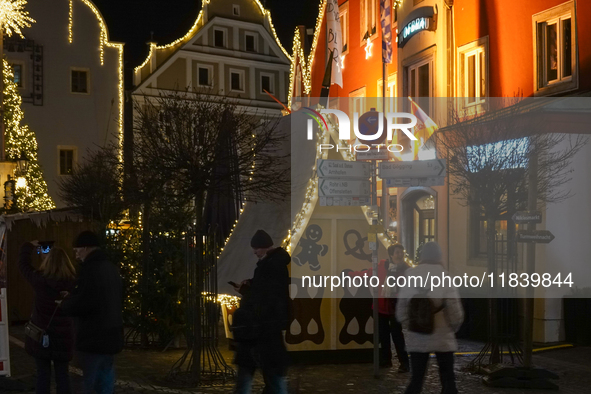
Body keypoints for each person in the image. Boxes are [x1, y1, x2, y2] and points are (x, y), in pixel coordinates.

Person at [396, 241, 464, 394]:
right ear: (439, 256)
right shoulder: (445, 276)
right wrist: (453, 328)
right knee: (448, 380)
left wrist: (412, 324)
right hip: (443, 336)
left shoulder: (410, 274)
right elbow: (455, 310)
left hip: (417, 335)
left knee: (416, 380)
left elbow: (401, 309)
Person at [61, 231, 123, 394]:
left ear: (86, 248)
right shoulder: (111, 268)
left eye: (77, 251)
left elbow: (85, 301)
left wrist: (66, 305)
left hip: (92, 337)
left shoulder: (90, 270)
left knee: (86, 382)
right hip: (111, 334)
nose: (76, 255)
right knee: (105, 381)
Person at [232, 229, 290, 394]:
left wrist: (247, 291)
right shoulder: (273, 264)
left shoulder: (270, 266)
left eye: (257, 248)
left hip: (261, 328)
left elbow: (264, 296)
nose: (255, 251)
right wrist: (249, 286)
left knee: (258, 376)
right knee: (272, 376)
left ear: (265, 247)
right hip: (266, 329)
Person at [19, 241, 76, 394]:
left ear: (47, 261)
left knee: (42, 375)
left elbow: (24, 265)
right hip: (64, 337)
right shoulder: (73, 282)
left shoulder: (40, 280)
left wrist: (29, 246)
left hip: (41, 335)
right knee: (62, 375)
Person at [348, 244, 409, 371]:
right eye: (397, 252)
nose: (400, 255)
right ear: (391, 255)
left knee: (397, 335)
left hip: (395, 307)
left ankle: (404, 363)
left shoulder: (406, 270)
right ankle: (386, 361)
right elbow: (368, 274)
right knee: (383, 335)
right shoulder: (382, 267)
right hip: (381, 307)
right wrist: (351, 274)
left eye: (401, 252)